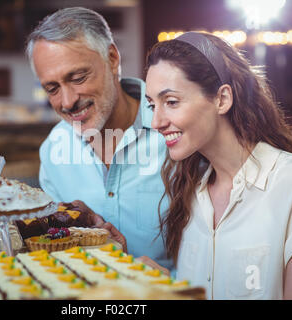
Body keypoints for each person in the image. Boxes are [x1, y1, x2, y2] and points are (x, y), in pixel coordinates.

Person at [142, 32, 292, 299]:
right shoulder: (191, 193)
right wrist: (159, 284)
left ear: (222, 99)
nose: (156, 122)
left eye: (171, 102)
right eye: (152, 105)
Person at [26, 7, 173, 273]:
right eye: (52, 88)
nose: (68, 101)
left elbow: (215, 260)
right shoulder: (54, 149)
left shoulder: (174, 130)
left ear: (113, 59)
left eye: (78, 77)